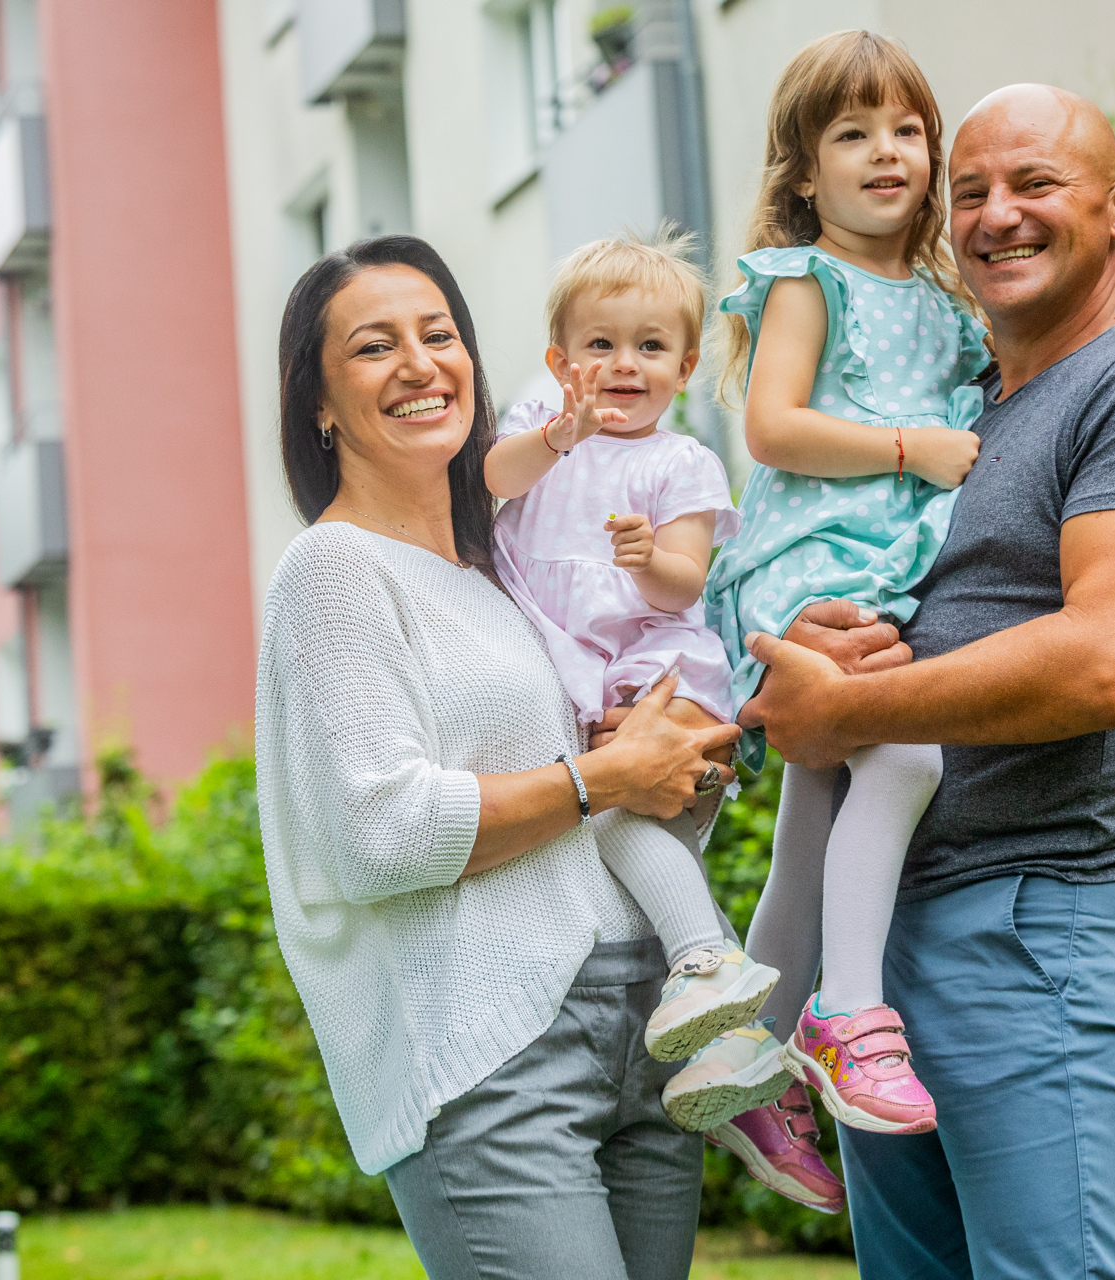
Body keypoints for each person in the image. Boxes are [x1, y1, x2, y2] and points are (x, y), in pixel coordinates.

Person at [736, 83, 1115, 1279]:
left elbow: (1112, 658)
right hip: (885, 946)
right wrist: (813, 635)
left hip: (1038, 919)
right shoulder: (952, 407)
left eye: (1035, 186)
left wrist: (851, 704)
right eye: (969, 193)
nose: (997, 216)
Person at [255, 234, 741, 1280]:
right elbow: (380, 835)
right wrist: (601, 776)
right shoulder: (335, 570)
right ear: (320, 402)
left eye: (440, 334)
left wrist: (681, 767)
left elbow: (604, 807)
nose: (422, 363)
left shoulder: (503, 569)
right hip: (496, 1046)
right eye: (376, 347)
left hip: (647, 1017)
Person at [484, 228, 791, 1131]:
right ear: (560, 359)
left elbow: (685, 583)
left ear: (686, 364)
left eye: (651, 347)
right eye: (601, 346)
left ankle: (711, 962)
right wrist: (556, 435)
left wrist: (649, 555)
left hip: (653, 663)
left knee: (621, 817)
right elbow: (496, 480)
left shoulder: (679, 462)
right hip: (578, 668)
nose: (625, 365)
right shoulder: (541, 430)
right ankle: (738, 1061)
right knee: (635, 861)